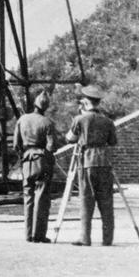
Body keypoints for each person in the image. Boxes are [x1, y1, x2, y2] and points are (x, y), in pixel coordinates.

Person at [66, 86, 118, 246]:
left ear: (86, 101)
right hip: (104, 162)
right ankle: (107, 239)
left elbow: (70, 138)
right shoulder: (108, 121)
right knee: (106, 201)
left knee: (86, 200)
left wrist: (80, 116)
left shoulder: (79, 119)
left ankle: (85, 237)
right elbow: (113, 142)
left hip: (86, 162)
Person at [12, 90, 57, 243]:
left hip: (26, 162)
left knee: (28, 198)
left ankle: (28, 234)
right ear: (46, 107)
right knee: (41, 198)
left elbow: (16, 145)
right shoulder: (48, 122)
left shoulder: (22, 119)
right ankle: (39, 235)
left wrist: (24, 156)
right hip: (41, 161)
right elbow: (52, 147)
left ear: (34, 104)